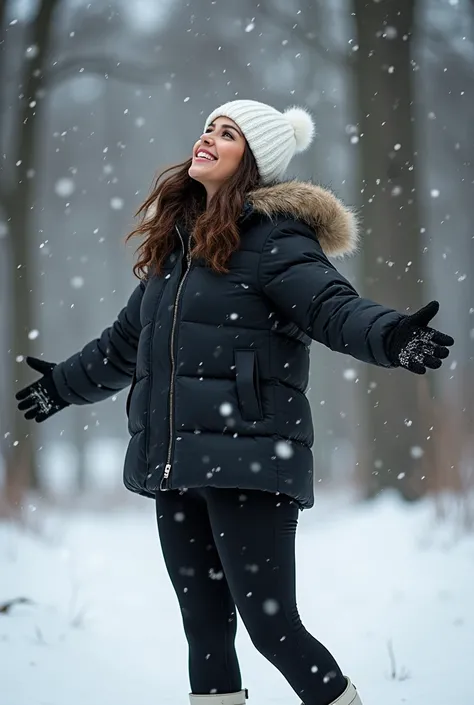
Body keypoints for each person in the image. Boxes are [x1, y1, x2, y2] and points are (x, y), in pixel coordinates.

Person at [16, 99, 454, 705]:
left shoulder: (277, 239)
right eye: (207, 129)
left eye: (227, 134)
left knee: (274, 630)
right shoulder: (177, 249)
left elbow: (332, 307)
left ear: (254, 160)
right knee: (206, 636)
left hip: (248, 461)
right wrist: (62, 384)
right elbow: (125, 344)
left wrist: (392, 335)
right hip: (176, 467)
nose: (207, 139)